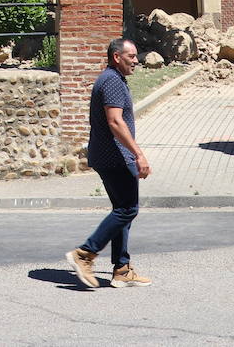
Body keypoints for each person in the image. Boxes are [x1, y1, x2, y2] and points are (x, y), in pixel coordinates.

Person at [65, 38, 152, 288]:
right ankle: (85, 253)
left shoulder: (111, 78)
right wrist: (138, 154)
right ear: (116, 57)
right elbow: (115, 121)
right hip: (115, 156)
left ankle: (122, 269)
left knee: (122, 211)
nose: (136, 61)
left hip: (108, 155)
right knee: (128, 210)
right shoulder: (112, 80)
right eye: (131, 56)